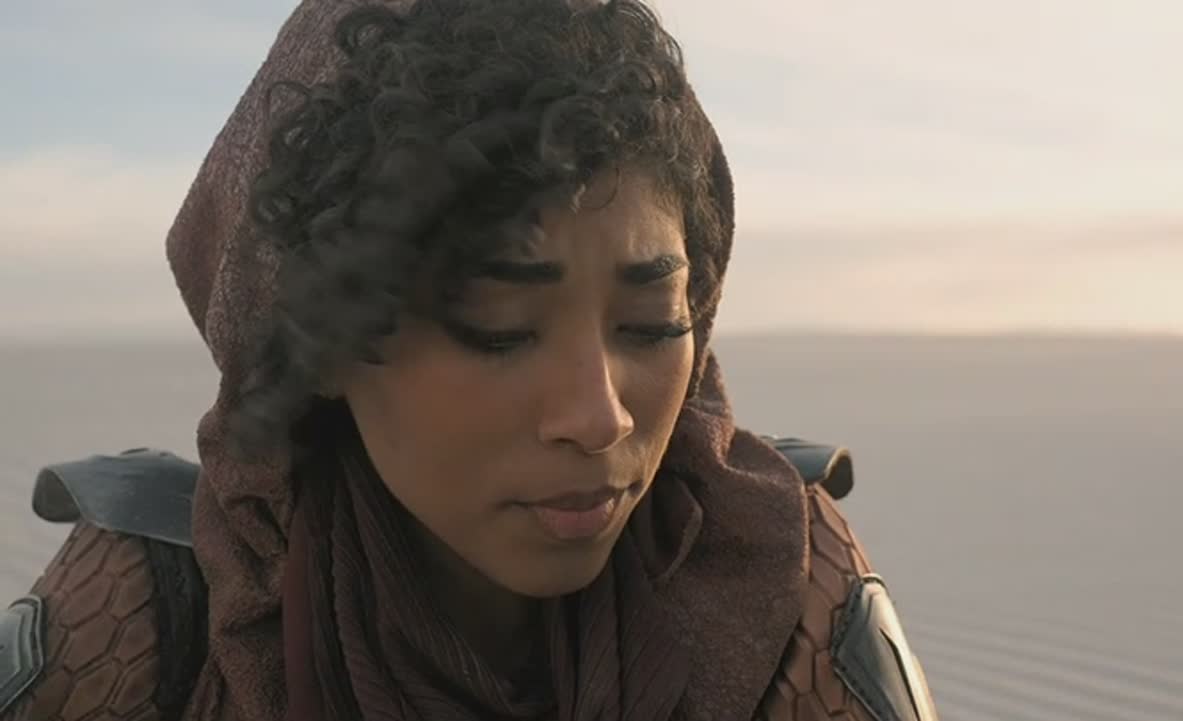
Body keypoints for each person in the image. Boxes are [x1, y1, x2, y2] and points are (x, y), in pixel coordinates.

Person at [0, 1, 937, 720]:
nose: (599, 416)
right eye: (499, 328)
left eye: (652, 323)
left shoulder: (788, 586)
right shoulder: (143, 619)